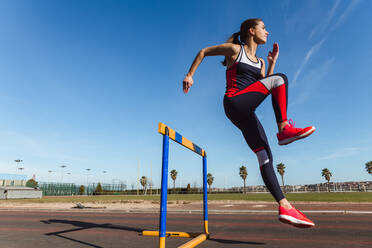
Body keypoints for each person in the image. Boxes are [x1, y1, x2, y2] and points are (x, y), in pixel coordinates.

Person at [182, 18, 315, 228]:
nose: (268, 32)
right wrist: (190, 75)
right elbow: (203, 51)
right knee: (281, 79)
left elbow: (265, 86)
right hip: (234, 102)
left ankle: (285, 207)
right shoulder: (235, 50)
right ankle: (283, 129)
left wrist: (271, 63)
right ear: (251, 31)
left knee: (265, 156)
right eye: (264, 28)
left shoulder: (261, 63)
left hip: (246, 112)